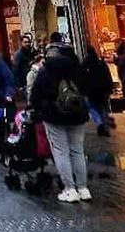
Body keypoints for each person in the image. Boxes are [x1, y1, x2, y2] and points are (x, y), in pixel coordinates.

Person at [30, 39, 91, 202]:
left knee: (60, 152)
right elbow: (85, 89)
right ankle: (83, 188)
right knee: (77, 151)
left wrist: (39, 108)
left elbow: (35, 95)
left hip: (54, 116)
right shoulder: (75, 68)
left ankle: (70, 189)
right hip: (77, 115)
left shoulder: (46, 70)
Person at [83, 44, 115, 137]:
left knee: (92, 108)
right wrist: (110, 88)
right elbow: (107, 76)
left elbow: (82, 78)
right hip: (102, 90)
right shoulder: (101, 63)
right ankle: (105, 127)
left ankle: (99, 122)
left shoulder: (85, 64)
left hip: (91, 91)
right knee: (103, 109)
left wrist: (83, 90)